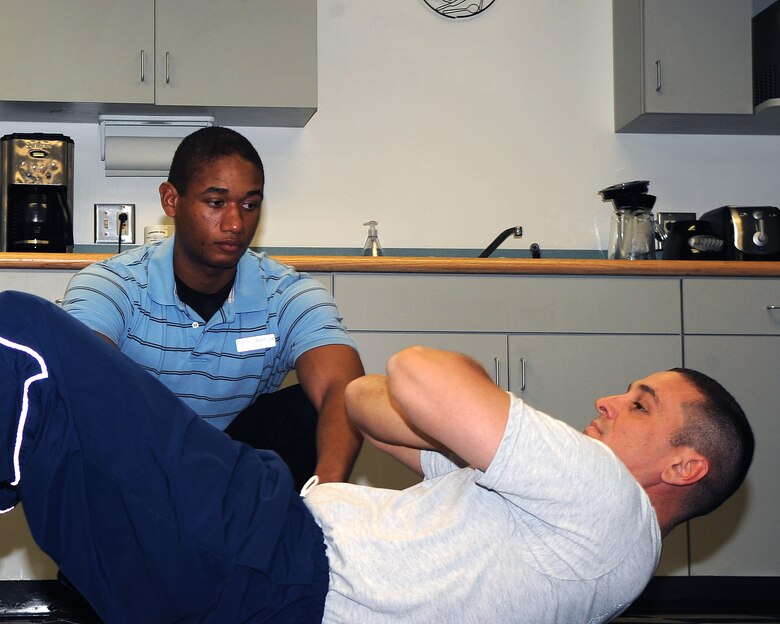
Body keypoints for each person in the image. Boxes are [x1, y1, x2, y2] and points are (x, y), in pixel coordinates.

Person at [0, 292, 754, 623]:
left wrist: (494, 417)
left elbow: (418, 374)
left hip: (270, 553)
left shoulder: (604, 499)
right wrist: (470, 437)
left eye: (640, 404)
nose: (607, 404)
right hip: (254, 584)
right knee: (48, 434)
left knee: (24, 334)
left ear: (686, 466)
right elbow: (361, 399)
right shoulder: (586, 544)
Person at [62, 126, 364, 490]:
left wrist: (330, 494)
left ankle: (286, 534)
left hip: (232, 473)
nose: (236, 224)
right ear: (171, 200)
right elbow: (79, 379)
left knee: (316, 405)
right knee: (78, 395)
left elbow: (341, 385)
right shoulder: (114, 285)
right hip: (139, 470)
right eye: (216, 203)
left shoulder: (285, 294)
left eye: (250, 205)